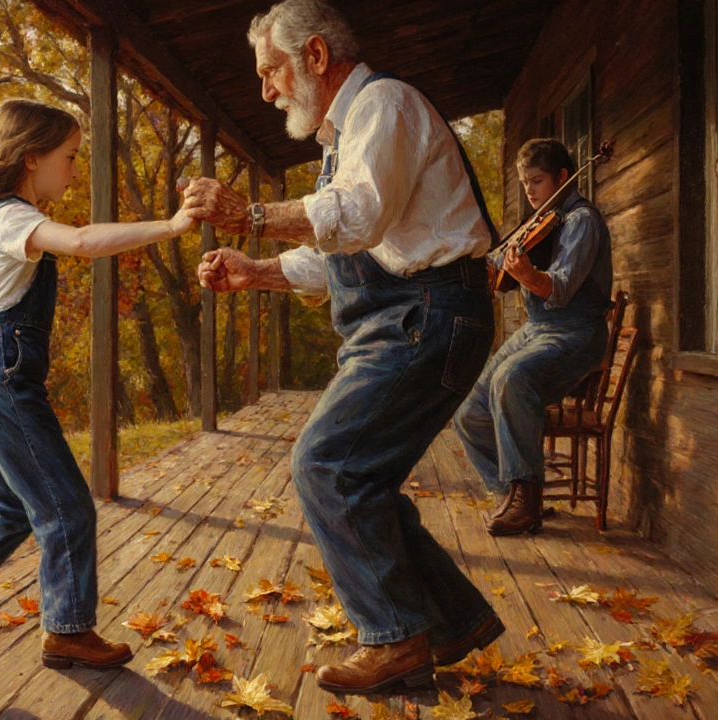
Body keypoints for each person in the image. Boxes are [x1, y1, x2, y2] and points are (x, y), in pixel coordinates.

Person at [183, 0, 504, 696]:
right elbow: (348, 256)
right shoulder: (345, 135)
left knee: (327, 464)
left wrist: (252, 214)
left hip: (429, 315)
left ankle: (396, 639)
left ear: (317, 57)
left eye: (271, 71)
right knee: (360, 477)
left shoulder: (383, 105)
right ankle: (451, 621)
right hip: (408, 314)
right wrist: (259, 271)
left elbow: (356, 218)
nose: (265, 90)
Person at [0, 98, 196, 670]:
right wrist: (171, 226)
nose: (74, 170)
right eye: (69, 157)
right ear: (31, 158)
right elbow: (80, 241)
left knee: (11, 505)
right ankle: (69, 632)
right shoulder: (15, 218)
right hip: (2, 382)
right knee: (68, 508)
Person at [454, 138, 613, 536]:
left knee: (513, 378)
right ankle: (511, 494)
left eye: (537, 181)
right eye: (525, 183)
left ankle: (526, 498)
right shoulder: (540, 222)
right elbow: (494, 267)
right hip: (539, 330)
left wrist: (526, 275)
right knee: (468, 412)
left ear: (563, 177)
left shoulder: (581, 221)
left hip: (576, 332)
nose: (529, 191)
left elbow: (559, 287)